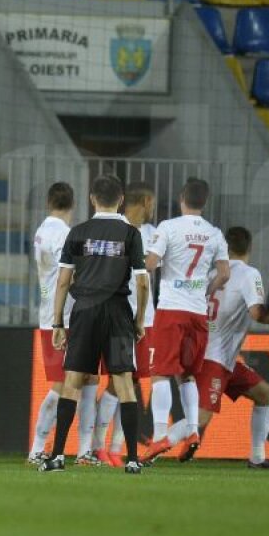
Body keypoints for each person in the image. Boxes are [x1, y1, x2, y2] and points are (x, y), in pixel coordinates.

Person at [41, 175, 148, 474]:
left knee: (73, 382)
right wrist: (138, 321)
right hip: (117, 311)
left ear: (92, 199)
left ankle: (58, 456)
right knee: (125, 384)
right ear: (122, 199)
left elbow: (63, 281)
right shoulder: (130, 234)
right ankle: (133, 460)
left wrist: (58, 323)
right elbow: (142, 284)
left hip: (85, 311)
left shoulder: (77, 232)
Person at [177, 227, 269, 468]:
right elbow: (257, 312)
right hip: (215, 357)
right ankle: (159, 441)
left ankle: (257, 458)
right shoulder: (248, 273)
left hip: (213, 355)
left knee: (265, 395)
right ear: (250, 248)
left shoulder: (210, 273)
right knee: (201, 417)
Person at [142, 177, 229, 464]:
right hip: (197, 312)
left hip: (171, 309)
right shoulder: (214, 233)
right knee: (187, 374)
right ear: (204, 202)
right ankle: (192, 431)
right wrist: (206, 290)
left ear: (182, 199)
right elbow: (224, 273)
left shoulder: (168, 227)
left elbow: (151, 265)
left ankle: (158, 438)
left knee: (160, 374)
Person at [27, 183, 98, 466]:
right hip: (65, 318)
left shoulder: (41, 231)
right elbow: (67, 275)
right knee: (63, 383)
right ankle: (36, 448)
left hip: (53, 315)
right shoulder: (65, 235)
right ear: (74, 204)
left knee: (90, 378)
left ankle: (84, 451)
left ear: (48, 202)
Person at [96, 181, 156, 468]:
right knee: (115, 382)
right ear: (146, 200)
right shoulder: (117, 230)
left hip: (144, 317)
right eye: (152, 202)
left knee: (130, 381)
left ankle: (115, 447)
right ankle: (98, 446)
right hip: (120, 314)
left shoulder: (154, 234)